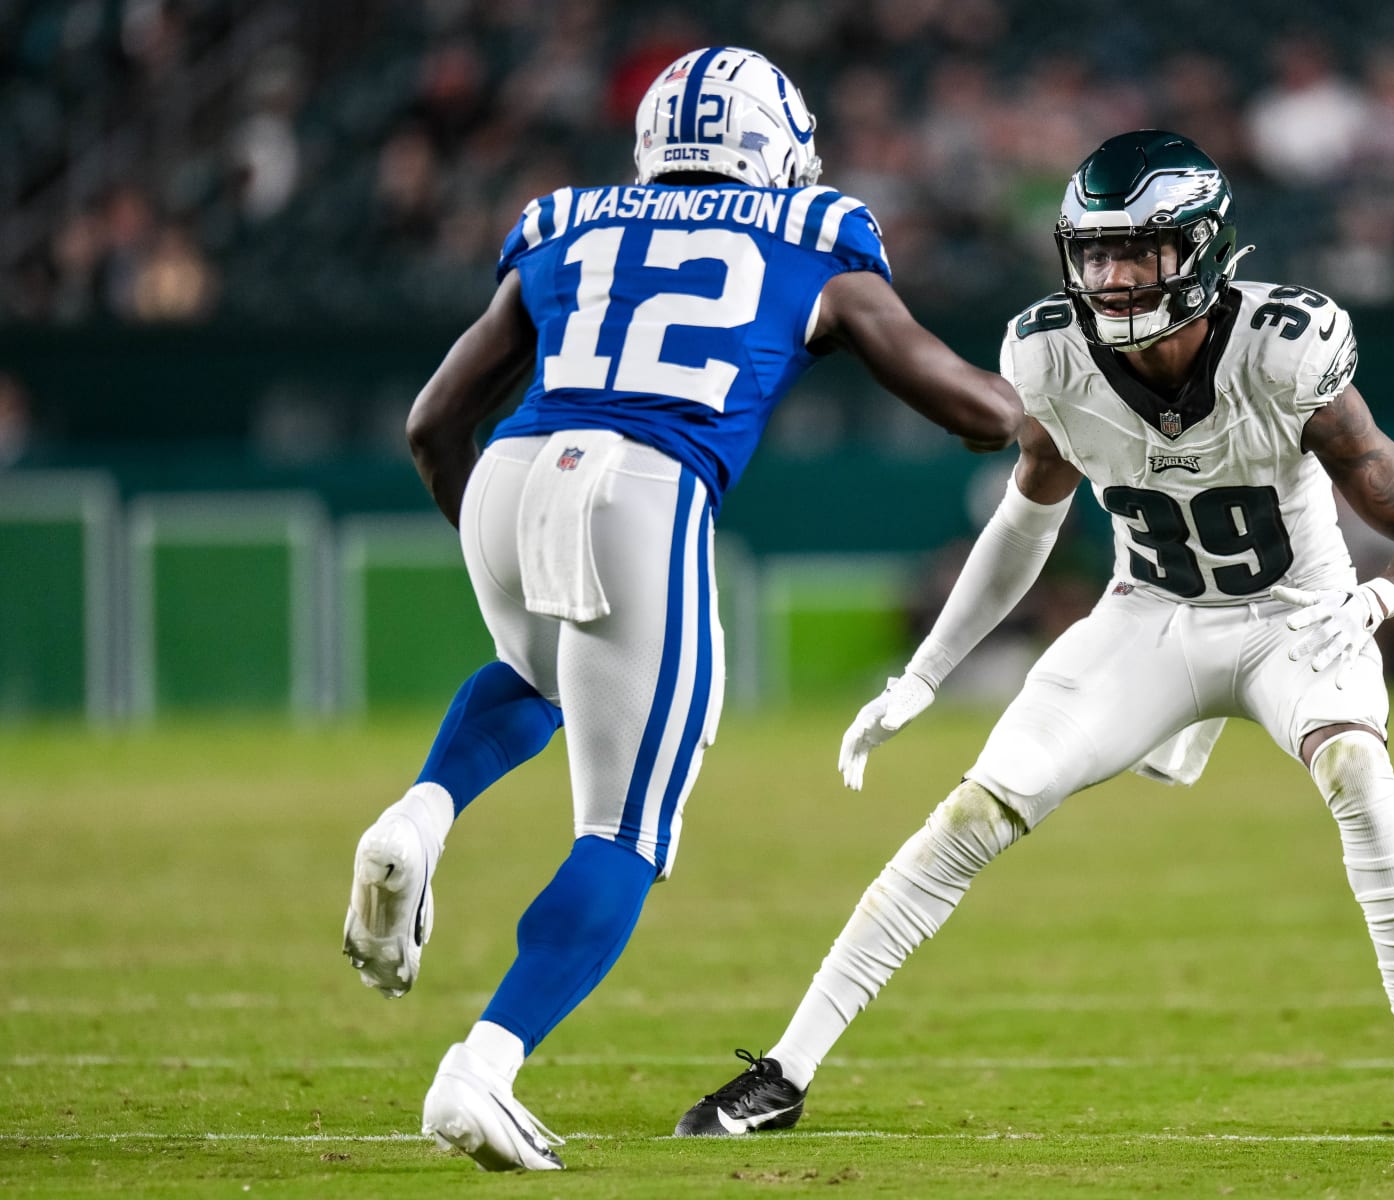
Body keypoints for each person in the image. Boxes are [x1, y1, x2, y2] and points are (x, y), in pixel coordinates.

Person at [674, 130, 1394, 1142]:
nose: (1109, 276)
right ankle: (785, 1072)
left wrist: (1374, 604)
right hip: (1147, 619)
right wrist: (927, 673)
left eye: (1136, 251)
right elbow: (1024, 523)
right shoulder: (1052, 354)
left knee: (1360, 779)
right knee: (970, 813)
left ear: (1200, 248)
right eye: (1094, 252)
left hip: (1297, 619)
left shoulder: (1285, 347)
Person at [339, 46, 1022, 1172]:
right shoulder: (816, 236)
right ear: (776, 145)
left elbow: (429, 424)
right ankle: (484, 1067)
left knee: (541, 673)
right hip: (645, 487)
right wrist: (1032, 400)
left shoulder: (568, 223)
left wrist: (496, 539)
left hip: (512, 467)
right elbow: (972, 409)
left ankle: (419, 814)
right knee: (627, 829)